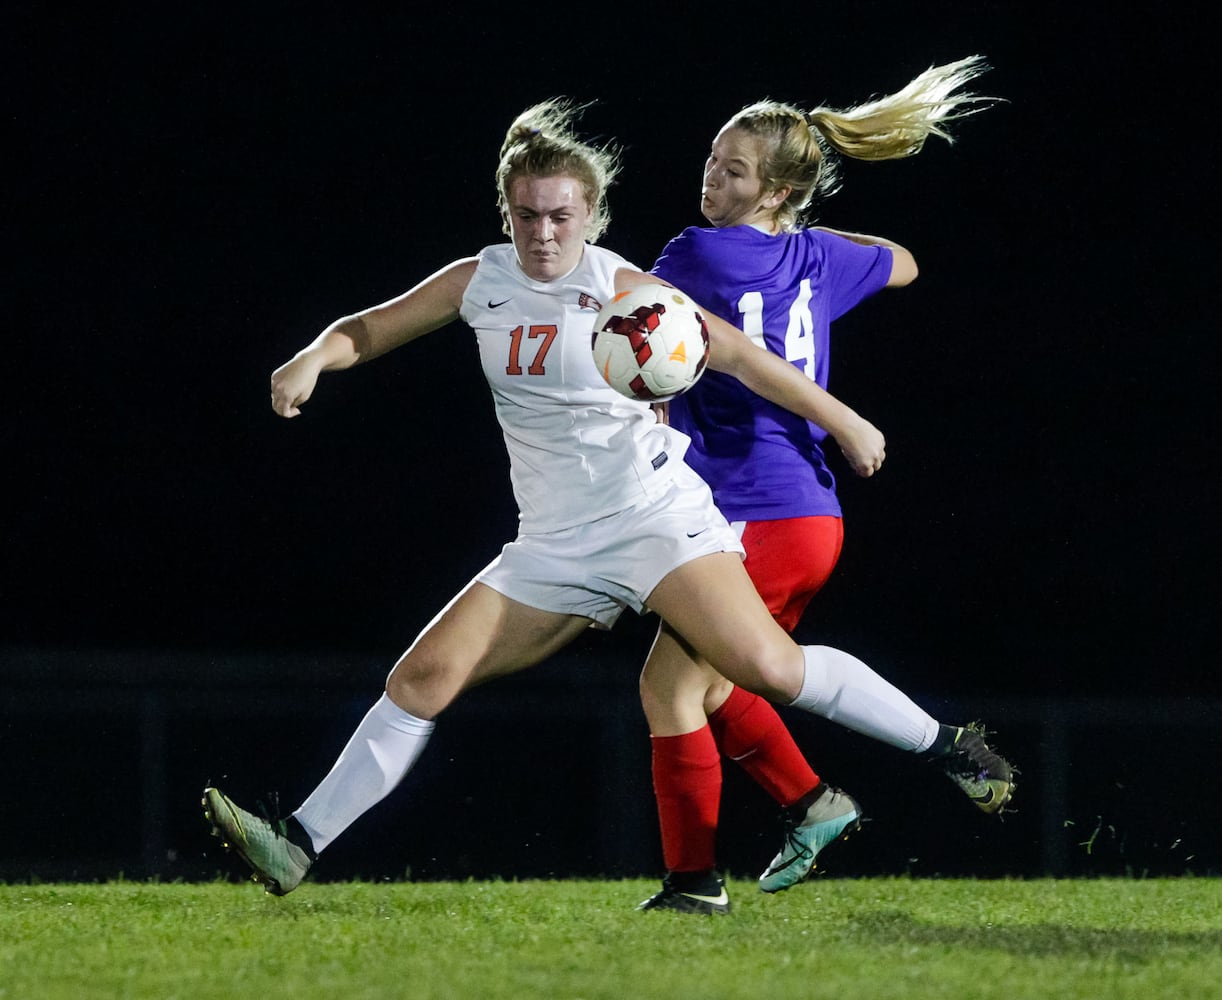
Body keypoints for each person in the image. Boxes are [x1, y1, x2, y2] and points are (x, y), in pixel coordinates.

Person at [201, 97, 1013, 902]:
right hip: (553, 542)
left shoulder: (626, 287)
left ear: (590, 213)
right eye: (526, 216)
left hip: (655, 520)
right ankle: (296, 843)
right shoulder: (478, 281)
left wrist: (844, 419)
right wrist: (312, 356)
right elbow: (370, 328)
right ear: (506, 212)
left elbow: (735, 356)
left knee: (766, 667)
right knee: (422, 679)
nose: (543, 233)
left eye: (560, 216)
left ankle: (945, 746)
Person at [635, 56, 1012, 915]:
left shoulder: (693, 252)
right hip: (805, 516)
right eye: (711, 162)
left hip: (753, 507)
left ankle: (698, 885)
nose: (711, 179)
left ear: (772, 192)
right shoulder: (816, 255)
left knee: (673, 685)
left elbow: (635, 327)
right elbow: (906, 263)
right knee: (725, 680)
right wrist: (820, 244)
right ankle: (812, 804)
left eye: (733, 172)